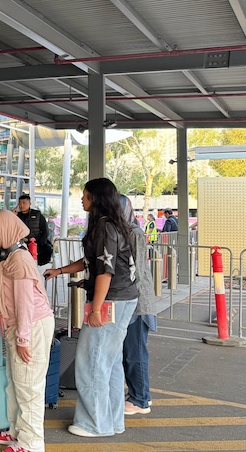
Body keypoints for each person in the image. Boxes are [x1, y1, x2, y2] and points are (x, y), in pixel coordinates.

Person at [44, 178, 139, 438]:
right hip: (122, 299)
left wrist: (96, 309)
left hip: (110, 301)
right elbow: (91, 261)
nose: (82, 199)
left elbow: (104, 273)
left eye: (85, 196)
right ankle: (112, 420)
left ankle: (94, 423)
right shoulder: (115, 224)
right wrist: (61, 270)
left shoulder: (104, 228)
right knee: (109, 363)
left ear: (96, 198)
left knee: (91, 361)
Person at [0, 210, 55, 452]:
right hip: (21, 325)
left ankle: (32, 443)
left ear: (5, 230)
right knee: (15, 383)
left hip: (30, 326)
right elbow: (14, 293)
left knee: (29, 386)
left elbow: (25, 303)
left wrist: (23, 338)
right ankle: (16, 431)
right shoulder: (10, 258)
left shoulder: (20, 260)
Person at [119, 195, 156, 416]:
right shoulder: (125, 232)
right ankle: (140, 394)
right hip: (131, 299)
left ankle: (140, 399)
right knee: (129, 352)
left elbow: (138, 270)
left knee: (135, 353)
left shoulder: (134, 233)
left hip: (137, 302)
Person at [15, 194, 49, 261]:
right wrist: (13, 215)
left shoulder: (37, 215)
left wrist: (41, 243)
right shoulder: (17, 216)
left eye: (24, 203)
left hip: (35, 245)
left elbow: (45, 230)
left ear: (29, 203)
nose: (21, 205)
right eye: (20, 203)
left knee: (33, 263)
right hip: (21, 245)